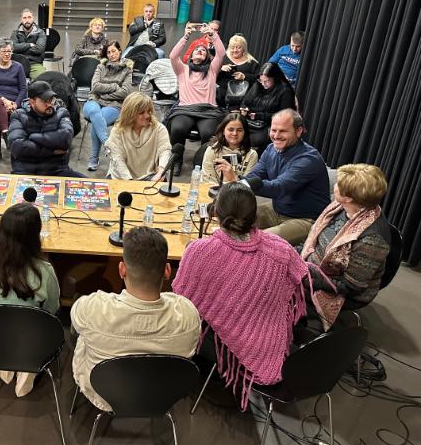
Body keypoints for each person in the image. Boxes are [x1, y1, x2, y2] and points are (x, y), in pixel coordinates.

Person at [173, 182, 310, 409]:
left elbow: (181, 300)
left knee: (187, 320)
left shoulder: (199, 251)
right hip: (273, 341)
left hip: (225, 351)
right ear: (255, 215)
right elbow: (301, 282)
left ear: (215, 212)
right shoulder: (281, 248)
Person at [71, 227, 200, 412]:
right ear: (167, 271)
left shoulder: (93, 309)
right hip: (162, 396)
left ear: (122, 269)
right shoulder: (188, 315)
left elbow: (75, 321)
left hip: (103, 395)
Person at [0, 203, 60, 397]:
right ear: (34, 236)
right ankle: (27, 366)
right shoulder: (44, 271)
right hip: (32, 337)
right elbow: (52, 310)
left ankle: (6, 362)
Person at [216, 109, 330, 245]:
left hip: (305, 219)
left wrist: (238, 181)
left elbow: (279, 187)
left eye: (283, 131)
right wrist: (239, 182)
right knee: (230, 220)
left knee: (256, 241)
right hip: (276, 210)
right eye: (273, 130)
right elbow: (255, 175)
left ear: (299, 131)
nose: (276, 136)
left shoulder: (309, 159)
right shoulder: (271, 149)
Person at [301, 163, 391, 329]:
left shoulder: (373, 239)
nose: (334, 184)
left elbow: (352, 287)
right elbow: (315, 241)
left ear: (349, 197)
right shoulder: (338, 207)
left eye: (338, 184)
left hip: (341, 291)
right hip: (313, 269)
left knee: (275, 291)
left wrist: (305, 275)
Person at [165, 23, 227, 173]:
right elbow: (173, 56)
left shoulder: (212, 70)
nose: (200, 50)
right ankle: (176, 160)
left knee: (208, 133)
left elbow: (221, 53)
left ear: (207, 56)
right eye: (196, 50)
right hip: (185, 109)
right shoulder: (182, 70)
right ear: (191, 56)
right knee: (178, 128)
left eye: (203, 50)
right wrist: (185, 36)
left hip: (208, 111)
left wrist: (212, 34)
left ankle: (201, 163)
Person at [8, 80, 84, 178]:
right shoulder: (18, 115)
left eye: (51, 99)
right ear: (32, 102)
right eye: (45, 101)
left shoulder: (61, 112)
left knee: (90, 186)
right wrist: (52, 151)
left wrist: (33, 137)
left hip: (56, 170)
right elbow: (18, 147)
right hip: (25, 171)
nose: (49, 104)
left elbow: (65, 139)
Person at [82, 41, 133, 171]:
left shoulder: (127, 69)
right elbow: (95, 86)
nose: (111, 54)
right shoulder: (101, 67)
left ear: (120, 51)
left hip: (114, 105)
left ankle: (94, 158)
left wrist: (103, 95)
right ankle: (108, 144)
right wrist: (114, 87)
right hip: (94, 100)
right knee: (94, 112)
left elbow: (125, 92)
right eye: (108, 52)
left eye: (114, 51)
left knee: (98, 120)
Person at [106, 92, 172, 180]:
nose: (147, 115)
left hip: (150, 176)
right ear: (130, 113)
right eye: (141, 112)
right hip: (120, 178)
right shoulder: (117, 131)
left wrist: (161, 172)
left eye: (149, 111)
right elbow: (118, 160)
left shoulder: (159, 129)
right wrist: (130, 182)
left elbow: (165, 150)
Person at [0, 37, 28, 166]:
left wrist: (15, 104)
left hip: (13, 103)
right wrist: (4, 100)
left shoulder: (18, 67)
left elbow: (23, 88)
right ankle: (6, 132)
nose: (7, 54)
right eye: (4, 51)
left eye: (9, 51)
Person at [239, 62, 297, 152]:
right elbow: (245, 102)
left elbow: (284, 117)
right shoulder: (258, 85)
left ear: (275, 78)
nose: (263, 84)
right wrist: (244, 109)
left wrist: (259, 116)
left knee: (252, 140)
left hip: (270, 126)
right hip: (250, 122)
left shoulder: (285, 91)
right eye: (261, 80)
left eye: (266, 81)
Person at [201, 113, 258, 184]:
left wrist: (233, 177)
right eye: (231, 129)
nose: (235, 133)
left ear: (245, 132)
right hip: (214, 192)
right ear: (223, 131)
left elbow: (247, 184)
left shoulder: (252, 155)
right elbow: (207, 181)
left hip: (238, 193)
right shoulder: (212, 150)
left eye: (239, 130)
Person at [216, 34, 259, 109]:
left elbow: (259, 79)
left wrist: (245, 76)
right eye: (232, 47)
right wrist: (220, 69)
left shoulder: (252, 63)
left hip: (240, 100)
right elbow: (210, 74)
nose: (235, 50)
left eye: (238, 47)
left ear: (244, 49)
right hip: (219, 98)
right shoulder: (222, 58)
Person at [10, 8, 47, 79]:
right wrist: (30, 45)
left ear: (33, 19)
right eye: (24, 18)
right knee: (9, 81)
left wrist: (20, 49)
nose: (27, 20)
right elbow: (13, 47)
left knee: (40, 81)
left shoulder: (40, 32)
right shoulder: (15, 33)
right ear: (21, 19)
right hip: (18, 63)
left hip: (35, 64)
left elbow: (39, 49)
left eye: (29, 17)